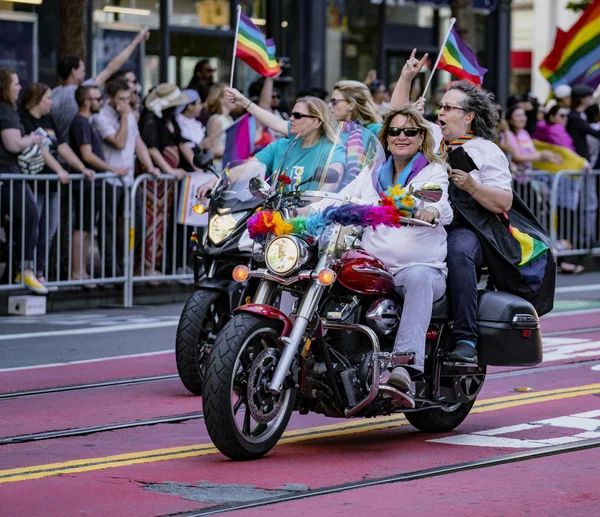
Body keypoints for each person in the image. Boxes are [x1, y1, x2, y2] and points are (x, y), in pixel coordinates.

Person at [311, 106, 452, 404]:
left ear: (421, 137)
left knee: (418, 277)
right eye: (395, 131)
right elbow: (340, 197)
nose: (402, 136)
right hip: (374, 267)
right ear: (386, 137)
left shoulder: (431, 171)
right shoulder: (372, 174)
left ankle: (403, 369)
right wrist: (305, 211)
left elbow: (441, 202)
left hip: (416, 267)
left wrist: (429, 210)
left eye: (410, 131)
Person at [392, 53, 516, 364]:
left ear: (469, 116)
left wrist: (472, 186)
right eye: (441, 106)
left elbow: (504, 201)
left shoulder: (486, 151)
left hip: (466, 228)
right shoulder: (431, 138)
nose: (441, 112)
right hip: (422, 220)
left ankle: (465, 338)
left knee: (458, 250)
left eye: (448, 108)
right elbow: (396, 117)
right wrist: (407, 77)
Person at [20, 82, 95, 288]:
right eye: (48, 98)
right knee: (32, 230)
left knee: (49, 230)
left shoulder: (49, 119)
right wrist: (59, 170)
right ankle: (27, 271)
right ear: (37, 99)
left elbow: (61, 147)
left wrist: (81, 168)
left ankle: (40, 272)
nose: (52, 102)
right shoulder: (24, 119)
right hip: (35, 182)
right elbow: (42, 150)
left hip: (51, 185)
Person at [213, 91, 346, 199]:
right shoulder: (280, 146)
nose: (291, 118)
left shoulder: (332, 149)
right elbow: (248, 168)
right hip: (275, 219)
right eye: (292, 114)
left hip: (311, 223)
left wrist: (312, 206)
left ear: (316, 122)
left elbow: (334, 179)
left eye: (297, 115)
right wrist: (216, 182)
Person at [91, 79, 160, 277]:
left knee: (137, 224)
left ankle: (124, 263)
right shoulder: (101, 117)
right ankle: (111, 268)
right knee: (109, 226)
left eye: (128, 99)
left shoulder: (128, 114)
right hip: (110, 179)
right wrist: (124, 116)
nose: (126, 103)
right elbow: (119, 143)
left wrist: (150, 166)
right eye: (121, 99)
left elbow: (138, 142)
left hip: (128, 179)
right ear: (111, 98)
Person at [69, 85, 128, 286]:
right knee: (83, 228)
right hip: (86, 184)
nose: (100, 101)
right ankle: (77, 272)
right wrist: (112, 169)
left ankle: (81, 271)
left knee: (87, 228)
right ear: (86, 101)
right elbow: (87, 155)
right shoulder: (81, 123)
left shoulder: (86, 122)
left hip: (91, 184)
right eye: (96, 98)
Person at [51, 27, 149, 145]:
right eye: (82, 70)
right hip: (79, 153)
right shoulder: (84, 90)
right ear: (73, 71)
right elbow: (112, 67)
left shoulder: (53, 94)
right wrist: (136, 41)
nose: (85, 73)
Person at [0, 68, 46, 293]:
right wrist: (32, 139)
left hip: (9, 175)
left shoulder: (9, 110)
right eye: (15, 84)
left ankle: (16, 270)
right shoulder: (6, 111)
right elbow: (13, 143)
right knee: (29, 216)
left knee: (20, 222)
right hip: (8, 175)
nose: (19, 87)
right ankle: (25, 269)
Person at [139, 83, 189, 278]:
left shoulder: (171, 120)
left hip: (166, 182)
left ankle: (156, 263)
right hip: (154, 180)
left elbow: (180, 142)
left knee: (162, 221)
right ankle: (145, 265)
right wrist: (169, 169)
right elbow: (151, 148)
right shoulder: (150, 119)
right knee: (151, 221)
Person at [501, 105, 561, 176]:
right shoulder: (507, 134)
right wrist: (540, 156)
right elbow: (516, 156)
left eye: (523, 115)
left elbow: (533, 152)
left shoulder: (524, 132)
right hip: (515, 178)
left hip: (527, 176)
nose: (522, 118)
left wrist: (550, 155)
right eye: (518, 116)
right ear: (509, 120)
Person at [205, 83, 236, 171]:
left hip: (229, 167)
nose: (233, 96)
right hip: (218, 169)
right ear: (220, 99)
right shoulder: (216, 120)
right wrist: (233, 151)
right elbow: (212, 150)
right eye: (229, 94)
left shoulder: (230, 119)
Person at [566, 84, 600, 163]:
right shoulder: (575, 118)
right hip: (579, 157)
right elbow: (595, 133)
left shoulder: (579, 115)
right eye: (589, 97)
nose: (591, 99)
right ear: (582, 99)